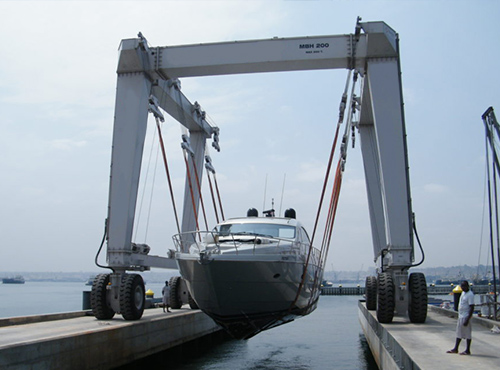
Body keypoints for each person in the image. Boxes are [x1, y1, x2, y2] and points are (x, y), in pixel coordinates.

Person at [447, 280, 474, 355]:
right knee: (459, 333)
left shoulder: (470, 295)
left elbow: (472, 307)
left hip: (466, 316)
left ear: (467, 286)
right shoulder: (463, 293)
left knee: (467, 333)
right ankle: (456, 348)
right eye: (462, 286)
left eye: (464, 286)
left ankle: (467, 350)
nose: (463, 288)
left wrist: (468, 319)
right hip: (461, 315)